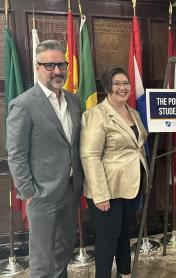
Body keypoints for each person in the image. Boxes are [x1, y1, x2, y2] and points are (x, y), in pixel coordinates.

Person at [7, 40, 83, 277]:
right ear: (37, 67)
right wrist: (28, 192)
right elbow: (16, 153)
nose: (57, 71)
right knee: (42, 261)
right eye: (49, 66)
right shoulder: (24, 104)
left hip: (70, 191)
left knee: (63, 251)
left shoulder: (74, 101)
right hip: (41, 195)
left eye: (61, 64)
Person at [80, 67, 148, 278]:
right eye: (117, 83)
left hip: (131, 186)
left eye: (126, 83)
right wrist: (100, 194)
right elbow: (90, 156)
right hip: (107, 190)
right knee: (107, 239)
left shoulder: (133, 113)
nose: (123, 87)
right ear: (108, 86)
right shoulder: (96, 115)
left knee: (123, 235)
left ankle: (125, 274)